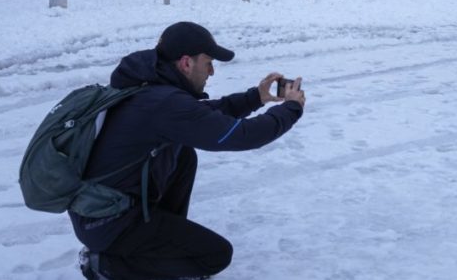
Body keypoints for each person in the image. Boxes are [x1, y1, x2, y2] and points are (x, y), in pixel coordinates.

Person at [72, 21, 305, 280]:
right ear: (186, 63)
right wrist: (292, 108)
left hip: (98, 213)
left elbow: (202, 116)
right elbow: (241, 136)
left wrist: (256, 97)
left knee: (183, 155)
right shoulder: (164, 103)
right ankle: (105, 264)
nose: (212, 72)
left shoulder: (149, 87)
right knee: (214, 255)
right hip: (109, 222)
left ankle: (154, 251)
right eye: (208, 63)